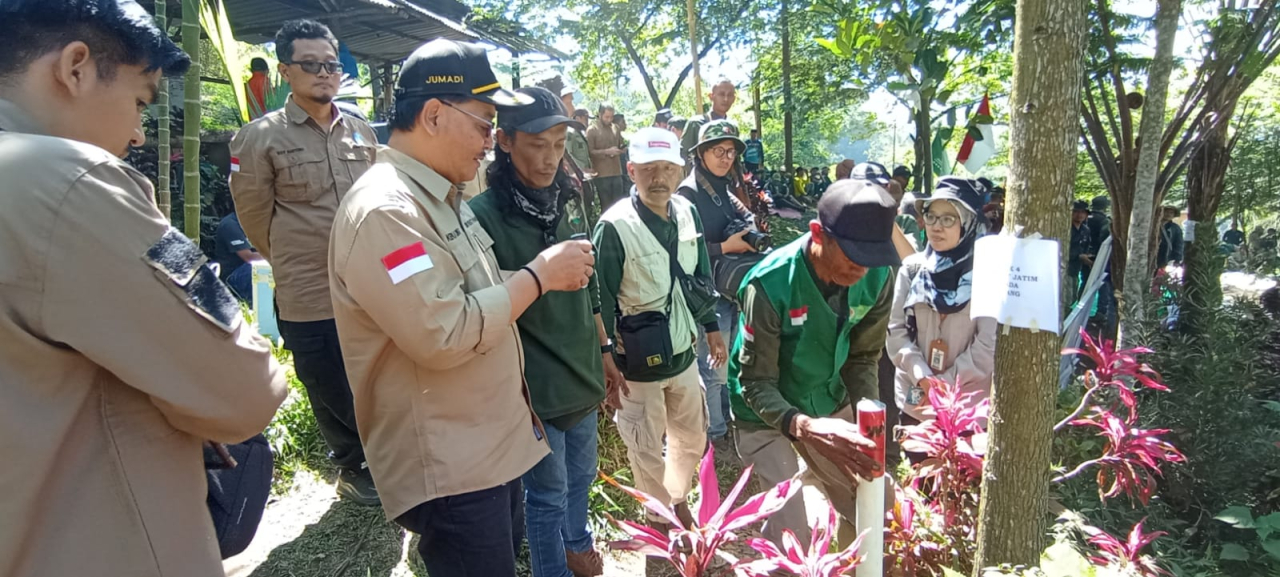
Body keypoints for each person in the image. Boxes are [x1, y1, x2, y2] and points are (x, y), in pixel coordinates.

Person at [0, 2, 288, 576]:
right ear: (75, 67)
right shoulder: (69, 180)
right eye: (139, 101)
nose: (136, 134)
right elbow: (248, 387)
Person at [328, 39, 596, 577]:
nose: (486, 142)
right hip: (452, 464)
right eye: (482, 124)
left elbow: (475, 288)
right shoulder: (387, 211)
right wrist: (539, 277)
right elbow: (444, 330)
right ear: (433, 115)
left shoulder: (436, 197)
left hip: (488, 447)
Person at [469, 86, 622, 577]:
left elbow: (589, 280)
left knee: (581, 474)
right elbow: (482, 307)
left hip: (580, 361)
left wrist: (602, 345)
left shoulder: (570, 199)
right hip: (534, 378)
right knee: (547, 492)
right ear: (505, 141)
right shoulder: (482, 216)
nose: (551, 157)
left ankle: (579, 546)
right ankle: (551, 570)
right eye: (538, 144)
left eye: (559, 144)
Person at [229, 19, 380, 505]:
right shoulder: (260, 137)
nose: (324, 74)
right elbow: (254, 216)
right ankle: (352, 465)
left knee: (374, 373)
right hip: (308, 287)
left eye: (331, 65)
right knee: (326, 378)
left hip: (367, 284)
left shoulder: (359, 131)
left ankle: (386, 452)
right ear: (285, 71)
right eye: (310, 65)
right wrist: (291, 259)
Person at [728, 178, 900, 545]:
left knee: (871, 501)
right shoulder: (771, 283)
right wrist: (805, 428)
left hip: (825, 392)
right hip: (762, 409)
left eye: (873, 259)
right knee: (793, 534)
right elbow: (756, 383)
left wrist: (867, 421)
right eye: (854, 255)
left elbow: (863, 357)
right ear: (819, 234)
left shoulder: (878, 277)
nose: (862, 270)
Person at [595, 127, 724, 532]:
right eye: (648, 169)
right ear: (630, 170)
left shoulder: (687, 212)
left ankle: (678, 498)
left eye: (667, 169)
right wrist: (605, 357)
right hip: (637, 361)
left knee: (691, 437)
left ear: (680, 171)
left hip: (684, 352)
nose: (659, 179)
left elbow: (700, 273)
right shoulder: (614, 226)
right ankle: (660, 515)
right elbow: (598, 299)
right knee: (645, 444)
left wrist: (712, 327)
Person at [888, 177, 997, 437]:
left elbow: (988, 345)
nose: (936, 227)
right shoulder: (913, 269)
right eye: (931, 217)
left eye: (948, 219)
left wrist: (943, 385)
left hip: (967, 410)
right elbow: (896, 331)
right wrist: (923, 377)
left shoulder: (987, 274)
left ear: (969, 223)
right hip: (917, 403)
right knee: (919, 474)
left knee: (962, 477)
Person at [677, 119, 757, 453]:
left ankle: (724, 420)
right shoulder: (688, 193)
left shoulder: (727, 188)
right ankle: (714, 434)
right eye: (717, 151)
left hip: (729, 292)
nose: (725, 158)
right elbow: (679, 250)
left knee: (728, 362)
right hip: (704, 296)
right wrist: (726, 248)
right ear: (700, 153)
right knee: (711, 367)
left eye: (730, 152)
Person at [681, 78, 736, 160]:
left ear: (734, 99)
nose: (726, 99)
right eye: (721, 94)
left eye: (730, 95)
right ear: (711, 96)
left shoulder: (732, 128)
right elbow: (683, 155)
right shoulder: (696, 124)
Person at [214, 211, 262, 300]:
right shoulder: (230, 224)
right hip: (233, 274)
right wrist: (279, 256)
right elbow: (249, 257)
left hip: (254, 267)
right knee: (258, 270)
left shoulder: (259, 222)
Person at [586, 102, 627, 210]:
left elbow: (620, 144)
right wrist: (606, 152)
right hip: (602, 174)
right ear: (600, 114)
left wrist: (622, 149)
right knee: (606, 206)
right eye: (606, 117)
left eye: (611, 117)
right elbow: (590, 152)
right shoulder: (592, 130)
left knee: (619, 205)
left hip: (617, 172)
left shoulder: (616, 128)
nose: (609, 119)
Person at [1085, 195, 1115, 332]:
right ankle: (1101, 312)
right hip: (1100, 257)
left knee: (1085, 283)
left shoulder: (1086, 218)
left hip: (1085, 256)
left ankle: (1081, 312)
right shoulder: (1104, 221)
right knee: (1102, 285)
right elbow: (1104, 239)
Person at [1068, 200, 1092, 306]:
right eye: (1076, 212)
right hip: (1064, 269)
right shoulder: (1066, 228)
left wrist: (1087, 256)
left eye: (1083, 212)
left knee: (1073, 297)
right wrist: (1078, 256)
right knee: (1066, 299)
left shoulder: (1085, 230)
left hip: (1076, 269)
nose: (1080, 215)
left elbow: (1085, 247)